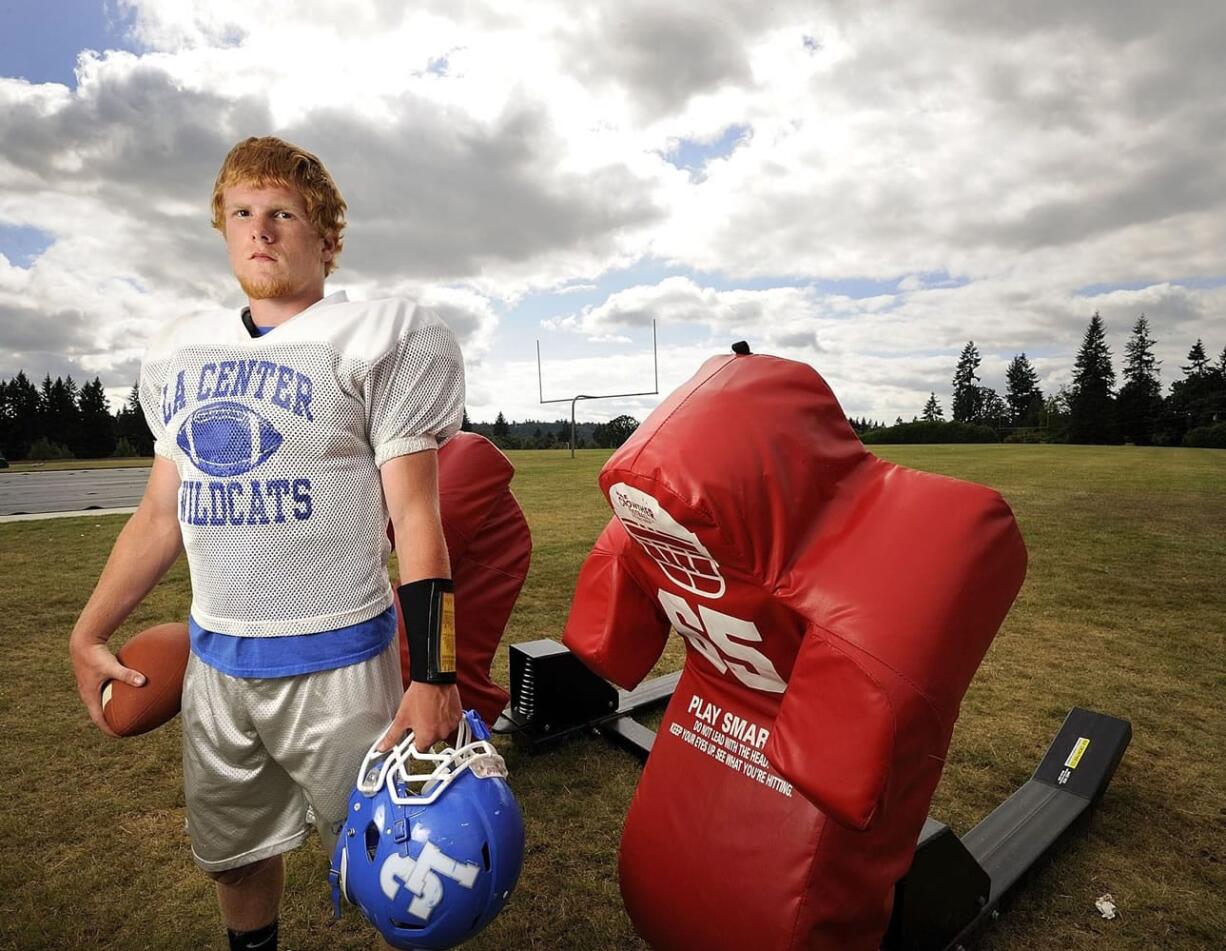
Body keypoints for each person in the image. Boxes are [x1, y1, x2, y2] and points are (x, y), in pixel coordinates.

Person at [68, 136, 465, 951]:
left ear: (327, 237)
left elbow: (419, 519)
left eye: (284, 212)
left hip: (341, 666)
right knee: (233, 859)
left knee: (396, 860)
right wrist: (87, 628)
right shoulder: (181, 352)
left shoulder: (378, 336)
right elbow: (157, 513)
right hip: (218, 666)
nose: (262, 230)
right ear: (222, 228)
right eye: (243, 213)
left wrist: (435, 672)